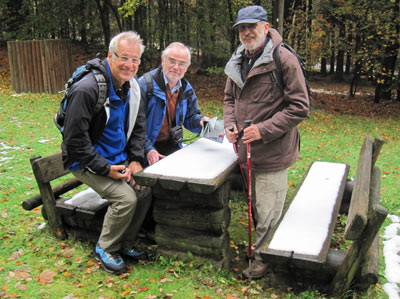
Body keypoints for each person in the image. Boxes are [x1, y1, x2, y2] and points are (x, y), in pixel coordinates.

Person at [224, 5, 309, 279]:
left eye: (252, 26)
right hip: (245, 150)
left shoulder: (283, 59)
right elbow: (229, 99)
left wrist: (262, 130)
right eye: (242, 28)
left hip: (273, 151)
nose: (247, 32)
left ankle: (263, 259)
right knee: (256, 205)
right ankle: (263, 249)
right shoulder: (237, 59)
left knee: (268, 210)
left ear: (266, 26)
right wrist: (229, 124)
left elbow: (299, 107)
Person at [61, 31, 151, 275]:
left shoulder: (132, 87)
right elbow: (74, 140)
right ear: (110, 56)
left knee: (144, 191)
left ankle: (125, 244)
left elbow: (138, 128)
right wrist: (104, 168)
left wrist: (135, 159)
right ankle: (105, 247)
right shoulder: (88, 89)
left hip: (118, 158)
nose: (129, 65)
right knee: (125, 198)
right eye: (123, 58)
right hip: (85, 160)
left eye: (135, 60)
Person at [138, 42, 209, 166]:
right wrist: (148, 149)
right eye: (172, 61)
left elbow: (190, 118)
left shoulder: (186, 88)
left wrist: (201, 122)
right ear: (163, 61)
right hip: (145, 148)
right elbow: (134, 127)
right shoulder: (145, 85)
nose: (176, 67)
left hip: (172, 146)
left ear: (187, 67)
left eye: (182, 64)